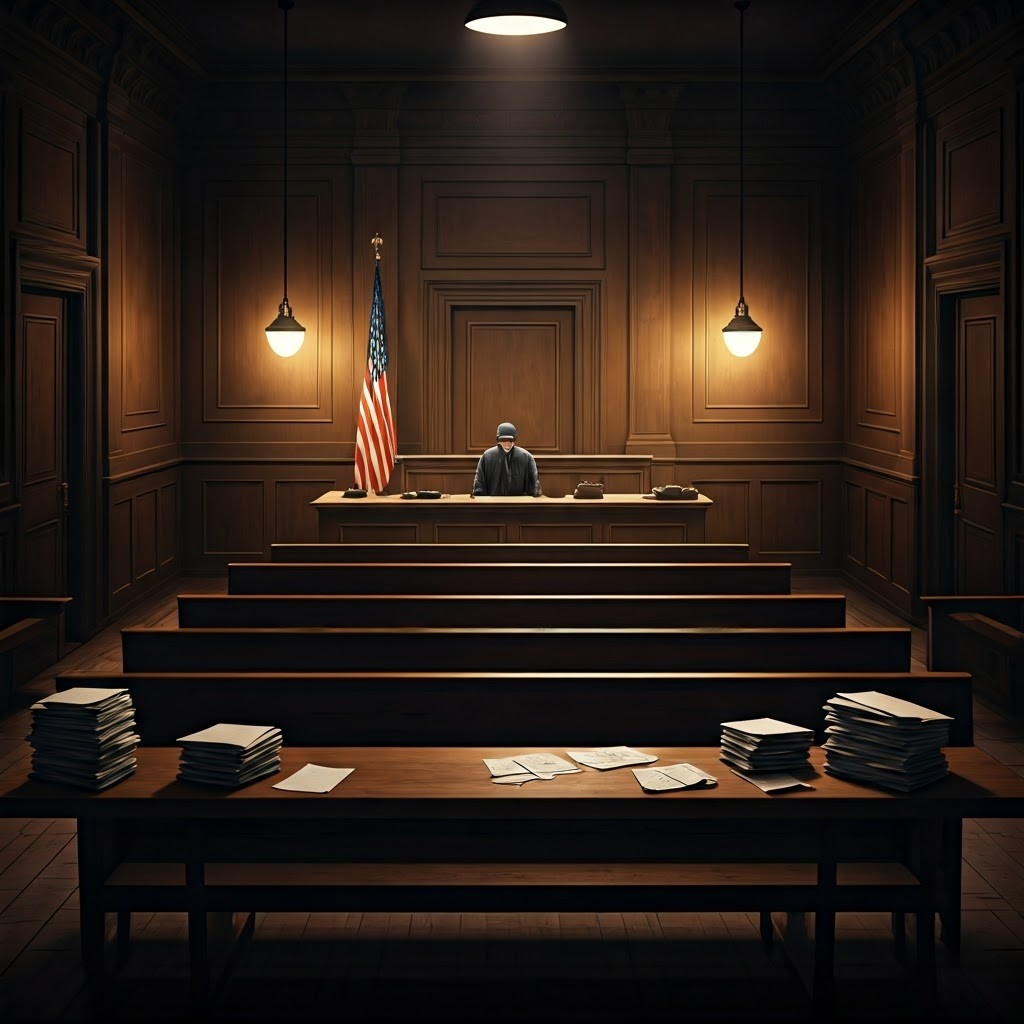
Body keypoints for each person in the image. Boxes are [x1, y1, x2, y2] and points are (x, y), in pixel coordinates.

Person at [472, 421, 541, 496]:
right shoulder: (487, 457)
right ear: (498, 439)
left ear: (514, 439)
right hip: (493, 502)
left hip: (519, 502)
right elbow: (479, 486)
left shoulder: (526, 457)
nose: (507, 443)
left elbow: (534, 487)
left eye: (510, 440)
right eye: (504, 440)